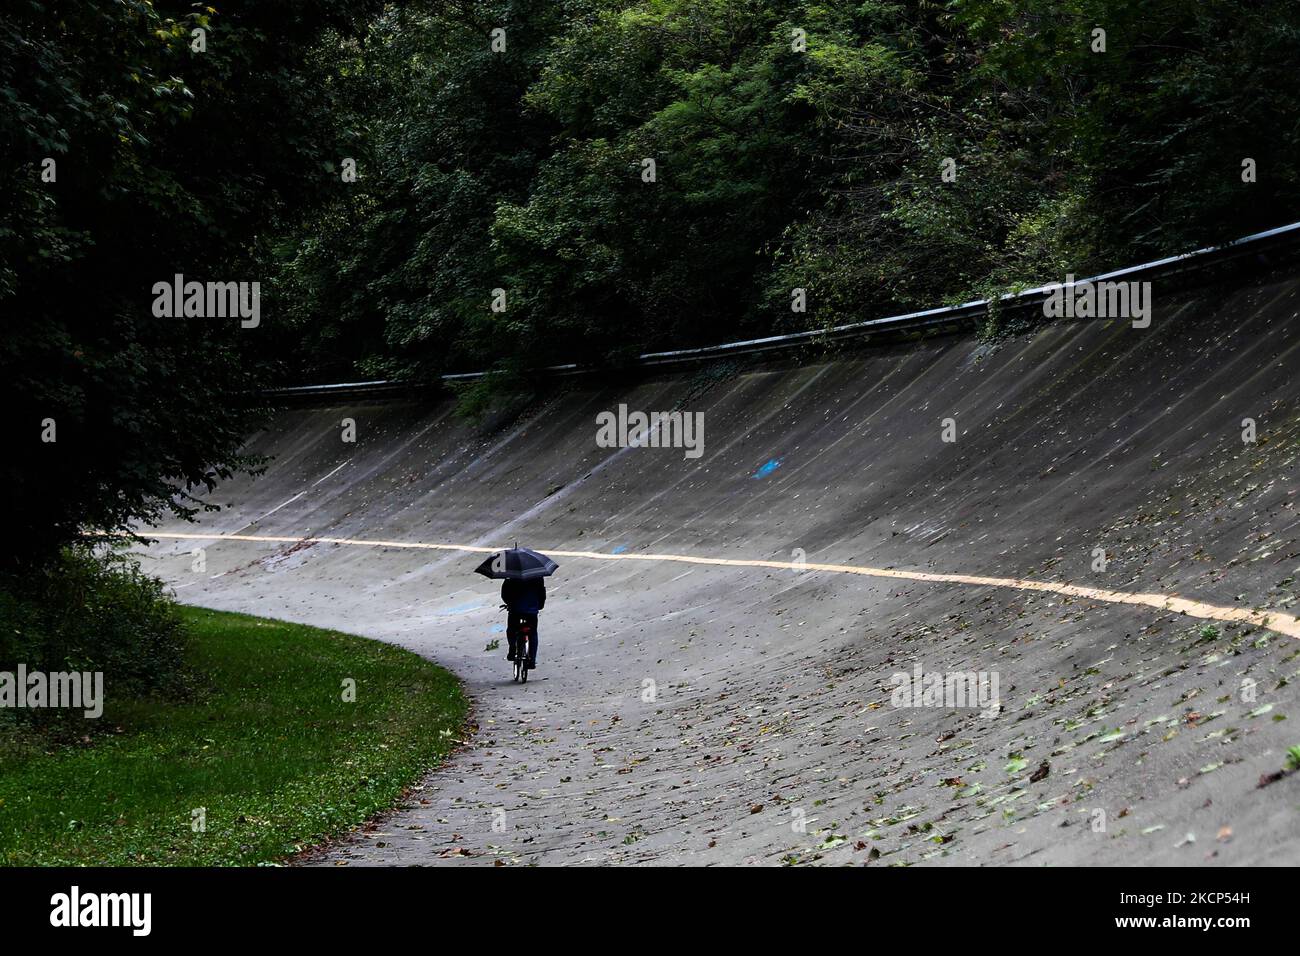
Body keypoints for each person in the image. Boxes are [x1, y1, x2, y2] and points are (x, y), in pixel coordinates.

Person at [501, 576, 545, 669]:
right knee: (533, 633)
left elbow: (505, 594)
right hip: (532, 610)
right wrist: (539, 606)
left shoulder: (511, 576)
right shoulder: (537, 576)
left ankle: (512, 649)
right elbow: (541, 594)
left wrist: (509, 604)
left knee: (511, 630)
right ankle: (532, 660)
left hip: (515, 610)